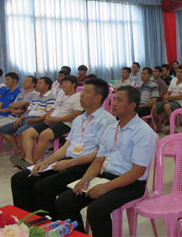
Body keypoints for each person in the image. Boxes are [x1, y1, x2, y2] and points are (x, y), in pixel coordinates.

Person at [54, 86, 158, 237]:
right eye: (114, 99)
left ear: (132, 105)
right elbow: (98, 161)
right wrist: (84, 180)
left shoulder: (143, 132)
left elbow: (138, 171)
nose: (113, 104)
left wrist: (106, 187)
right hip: (106, 176)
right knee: (64, 201)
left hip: (131, 183)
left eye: (119, 100)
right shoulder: (111, 128)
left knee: (96, 210)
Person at [10, 78, 116, 217]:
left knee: (43, 187)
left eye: (86, 92)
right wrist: (46, 162)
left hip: (86, 165)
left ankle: (52, 226)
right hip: (67, 161)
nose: (81, 95)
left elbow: (101, 154)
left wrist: (69, 163)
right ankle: (29, 222)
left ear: (98, 97)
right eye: (82, 91)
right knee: (20, 179)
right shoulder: (79, 119)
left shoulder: (107, 120)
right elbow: (66, 146)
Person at [18, 76, 83, 166]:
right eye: (62, 83)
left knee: (44, 135)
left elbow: (77, 114)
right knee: (27, 133)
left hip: (65, 124)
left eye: (66, 83)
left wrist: (57, 119)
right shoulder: (61, 95)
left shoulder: (78, 97)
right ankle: (28, 159)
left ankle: (33, 162)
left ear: (74, 84)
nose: (63, 85)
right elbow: (53, 109)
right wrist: (48, 117)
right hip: (53, 120)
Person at [0, 77, 55, 158]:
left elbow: (48, 113)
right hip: (28, 118)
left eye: (40, 83)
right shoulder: (35, 96)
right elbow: (28, 111)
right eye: (37, 83)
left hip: (39, 120)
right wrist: (20, 118)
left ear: (47, 86)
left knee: (20, 131)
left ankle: (24, 155)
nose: (37, 85)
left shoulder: (50, 96)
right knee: (3, 129)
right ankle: (18, 150)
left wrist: (34, 120)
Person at [151, 65, 182, 130]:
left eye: (180, 72)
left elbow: (180, 96)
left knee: (166, 107)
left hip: (178, 103)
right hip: (169, 101)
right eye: (177, 72)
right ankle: (158, 125)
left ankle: (173, 127)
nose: (178, 73)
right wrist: (166, 98)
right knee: (154, 107)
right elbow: (169, 91)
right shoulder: (173, 80)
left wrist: (168, 97)